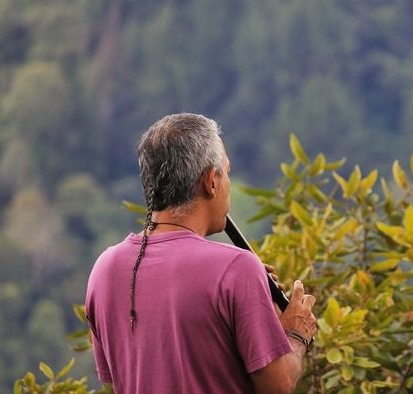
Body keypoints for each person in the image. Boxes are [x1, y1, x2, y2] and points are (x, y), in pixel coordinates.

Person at [85, 113, 317, 393]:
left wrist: (256, 315)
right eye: (227, 172)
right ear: (211, 181)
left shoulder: (105, 269)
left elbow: (118, 375)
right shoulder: (236, 268)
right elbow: (277, 386)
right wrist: (295, 333)